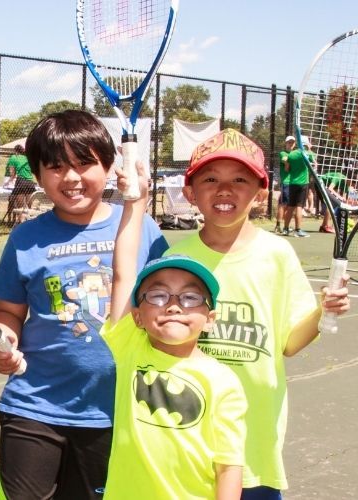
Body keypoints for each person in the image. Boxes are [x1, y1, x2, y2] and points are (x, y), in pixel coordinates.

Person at [0, 109, 170, 500]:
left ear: (108, 166)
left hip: (113, 410)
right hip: (33, 404)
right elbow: (10, 311)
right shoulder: (26, 238)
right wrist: (5, 338)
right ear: (36, 176)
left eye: (84, 163)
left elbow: (163, 304)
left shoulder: (142, 228)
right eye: (55, 167)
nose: (71, 177)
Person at [165, 129, 351, 499]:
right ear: (190, 193)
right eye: (210, 179)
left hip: (254, 440)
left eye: (240, 180)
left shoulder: (277, 254)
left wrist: (321, 311)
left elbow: (289, 344)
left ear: (261, 194)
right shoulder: (175, 261)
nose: (224, 190)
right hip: (188, 435)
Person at [105, 147, 256, 498]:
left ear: (210, 318)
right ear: (138, 315)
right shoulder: (129, 345)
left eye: (190, 297)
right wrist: (136, 203)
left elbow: (229, 466)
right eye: (158, 295)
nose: (173, 305)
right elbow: (124, 273)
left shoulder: (224, 382)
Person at [276, 136, 311, 237]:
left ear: (296, 143)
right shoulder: (304, 154)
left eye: (293, 142)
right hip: (301, 183)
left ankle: (285, 228)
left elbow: (287, 168)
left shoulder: (291, 155)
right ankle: (297, 230)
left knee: (290, 207)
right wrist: (309, 149)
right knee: (298, 207)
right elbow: (312, 160)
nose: (291, 144)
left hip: (292, 183)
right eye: (289, 142)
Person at [6, 144, 38, 221]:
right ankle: (28, 223)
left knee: (20, 208)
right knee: (28, 208)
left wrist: (7, 182)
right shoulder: (28, 158)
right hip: (30, 183)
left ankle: (21, 223)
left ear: (15, 151)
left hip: (21, 182)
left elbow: (12, 174)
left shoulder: (13, 157)